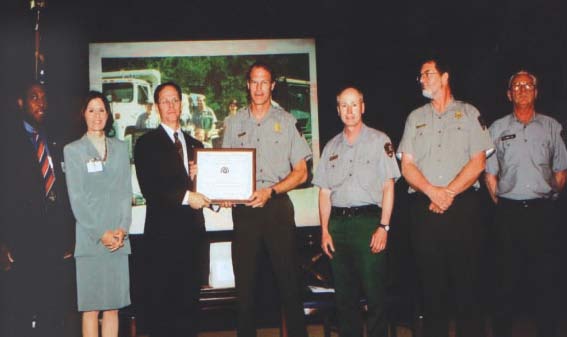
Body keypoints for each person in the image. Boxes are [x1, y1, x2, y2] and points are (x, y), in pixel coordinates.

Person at [397, 58, 493, 337]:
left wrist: (448, 193)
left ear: (445, 76)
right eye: (420, 76)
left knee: (468, 287)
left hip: (463, 209)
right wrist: (433, 192)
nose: (422, 79)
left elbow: (478, 162)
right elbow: (407, 166)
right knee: (430, 289)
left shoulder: (470, 112)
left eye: (428, 73)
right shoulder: (415, 118)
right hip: (425, 209)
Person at [222, 61, 312, 337]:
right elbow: (224, 167)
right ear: (247, 85)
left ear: (272, 85)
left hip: (276, 208)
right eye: (254, 82)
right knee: (245, 290)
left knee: (289, 285)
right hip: (245, 213)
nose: (259, 88)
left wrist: (271, 191)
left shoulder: (286, 122)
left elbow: (302, 173)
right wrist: (224, 193)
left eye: (265, 82)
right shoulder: (232, 122)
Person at [485, 71, 567, 337]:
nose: (522, 89)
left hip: (543, 214)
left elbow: (560, 171)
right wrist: (503, 199)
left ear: (536, 92)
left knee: (546, 282)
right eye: (516, 86)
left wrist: (548, 196)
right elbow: (490, 173)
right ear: (509, 94)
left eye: (528, 85)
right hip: (508, 215)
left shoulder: (552, 127)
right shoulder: (497, 128)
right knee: (504, 283)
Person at [313, 87, 400, 337]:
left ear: (363, 107)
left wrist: (383, 227)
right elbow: (324, 193)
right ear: (338, 110)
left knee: (375, 298)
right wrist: (325, 232)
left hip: (368, 224)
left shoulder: (379, 141)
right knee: (344, 299)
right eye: (344, 105)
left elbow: (388, 186)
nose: (349, 111)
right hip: (338, 227)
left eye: (354, 105)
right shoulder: (330, 147)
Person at [0, 81, 77, 337]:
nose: (41, 103)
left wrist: (68, 236)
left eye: (44, 97)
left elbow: (63, 192)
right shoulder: (8, 144)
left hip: (54, 244)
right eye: (34, 97)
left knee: (53, 312)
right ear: (20, 103)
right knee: (20, 312)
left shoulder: (55, 141)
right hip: (22, 244)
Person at [134, 82, 210, 337]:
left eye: (175, 100)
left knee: (190, 309)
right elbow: (151, 189)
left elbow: (208, 188)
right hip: (162, 241)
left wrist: (213, 188)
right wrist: (188, 195)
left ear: (181, 104)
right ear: (157, 107)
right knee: (163, 313)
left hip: (192, 239)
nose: (170, 106)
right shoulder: (145, 144)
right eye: (165, 101)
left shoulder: (196, 143)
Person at [64, 91, 132, 337]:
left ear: (108, 114)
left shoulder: (121, 148)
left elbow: (126, 192)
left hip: (118, 240)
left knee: (113, 308)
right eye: (91, 110)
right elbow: (77, 200)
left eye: (101, 110)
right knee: (91, 309)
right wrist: (101, 233)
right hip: (91, 239)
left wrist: (123, 229)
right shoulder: (73, 151)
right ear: (83, 114)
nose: (97, 115)